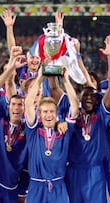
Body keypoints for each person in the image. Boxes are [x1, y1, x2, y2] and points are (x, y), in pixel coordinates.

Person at [65, 34, 110, 203]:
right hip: (73, 171)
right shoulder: (73, 113)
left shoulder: (101, 115)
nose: (88, 98)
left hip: (95, 171)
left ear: (98, 99)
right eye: (85, 95)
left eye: (92, 96)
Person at [24, 66, 78, 203]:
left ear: (57, 113)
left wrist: (65, 80)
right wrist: (40, 77)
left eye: (52, 112)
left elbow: (75, 106)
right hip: (36, 187)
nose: (49, 115)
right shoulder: (33, 131)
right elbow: (28, 104)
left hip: (58, 186)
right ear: (40, 115)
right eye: (45, 112)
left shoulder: (64, 130)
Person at [0, 46, 28, 203]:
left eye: (20, 105)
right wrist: (11, 67)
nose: (16, 108)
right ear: (8, 106)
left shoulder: (28, 128)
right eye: (13, 104)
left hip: (12, 185)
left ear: (24, 108)